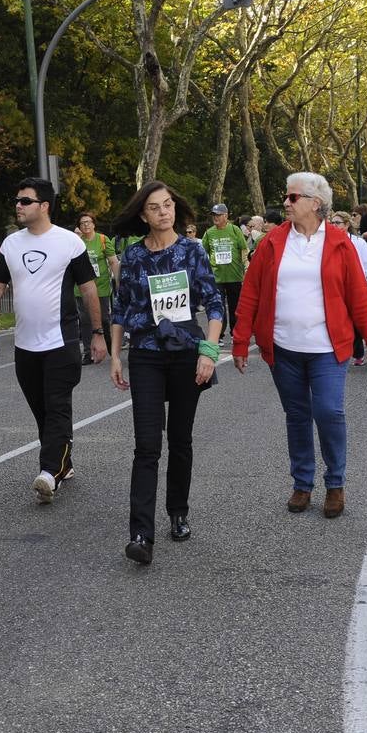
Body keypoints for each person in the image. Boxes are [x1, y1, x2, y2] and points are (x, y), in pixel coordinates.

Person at [232, 172, 367, 519]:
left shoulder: (339, 242)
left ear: (315, 204)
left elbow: (359, 299)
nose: (285, 203)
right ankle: (302, 484)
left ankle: (335, 483)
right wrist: (240, 342)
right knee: (298, 416)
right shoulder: (272, 242)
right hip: (283, 348)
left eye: (292, 198)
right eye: (286, 198)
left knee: (329, 412)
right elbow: (251, 293)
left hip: (327, 349)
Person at [108, 182, 224, 565]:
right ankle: (141, 534)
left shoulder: (192, 251)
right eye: (155, 207)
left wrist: (209, 352)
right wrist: (114, 356)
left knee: (180, 438)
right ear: (143, 214)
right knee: (146, 445)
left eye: (169, 205)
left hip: (186, 353)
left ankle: (178, 512)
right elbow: (121, 309)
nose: (164, 212)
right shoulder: (134, 255)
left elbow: (214, 302)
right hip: (145, 355)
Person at [0, 177, 108, 503]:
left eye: (25, 201)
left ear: (44, 206)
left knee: (57, 408)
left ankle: (48, 472)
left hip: (61, 341)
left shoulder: (69, 243)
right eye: (17, 200)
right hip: (25, 345)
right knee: (41, 411)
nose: (18, 206)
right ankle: (63, 463)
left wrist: (97, 334)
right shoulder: (11, 244)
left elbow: (89, 289)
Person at [330, 210, 367, 365]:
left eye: (338, 223)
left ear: (347, 225)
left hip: (358, 287)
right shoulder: (328, 243)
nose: (334, 226)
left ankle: (360, 351)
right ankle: (354, 352)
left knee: (357, 320)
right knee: (343, 319)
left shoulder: (358, 243)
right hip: (338, 288)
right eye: (332, 223)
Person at [74, 212, 119, 365]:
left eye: (88, 222)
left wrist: (118, 281)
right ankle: (88, 353)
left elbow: (113, 262)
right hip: (81, 288)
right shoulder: (76, 242)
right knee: (85, 319)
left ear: (94, 224)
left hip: (101, 286)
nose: (86, 225)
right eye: (82, 223)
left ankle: (111, 348)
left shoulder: (102, 239)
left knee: (104, 319)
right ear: (79, 227)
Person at [201, 202, 249, 345]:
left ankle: (235, 333)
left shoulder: (234, 230)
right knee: (218, 306)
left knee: (235, 306)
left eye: (218, 215)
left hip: (234, 276)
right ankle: (219, 335)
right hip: (217, 277)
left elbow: (243, 249)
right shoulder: (209, 233)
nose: (215, 217)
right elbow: (203, 253)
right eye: (213, 215)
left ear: (226, 216)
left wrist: (246, 266)